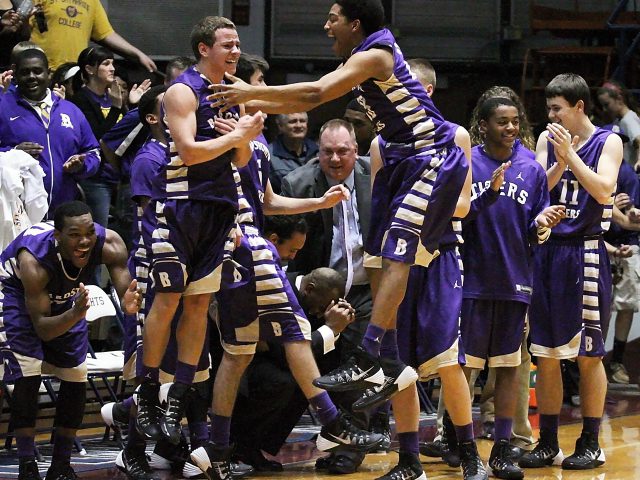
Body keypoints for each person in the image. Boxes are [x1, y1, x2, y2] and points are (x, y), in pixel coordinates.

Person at [210, 3, 473, 478]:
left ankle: (371, 356)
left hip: (432, 155)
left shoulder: (377, 53)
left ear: (356, 22)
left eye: (332, 17)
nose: (325, 25)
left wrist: (251, 92)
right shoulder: (361, 60)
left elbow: (313, 94)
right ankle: (381, 372)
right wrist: (256, 98)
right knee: (389, 257)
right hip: (404, 159)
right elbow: (307, 97)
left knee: (398, 254)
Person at [190, 55, 383, 480]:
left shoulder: (252, 143)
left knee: (263, 351)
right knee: (252, 352)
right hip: (229, 250)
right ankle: (326, 422)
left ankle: (224, 446)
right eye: (258, 93)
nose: (266, 104)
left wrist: (319, 202)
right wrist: (238, 137)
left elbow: (268, 202)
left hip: (253, 249)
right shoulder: (228, 135)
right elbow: (220, 169)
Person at [134, 15, 263, 453]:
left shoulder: (235, 92)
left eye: (237, 43)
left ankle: (179, 396)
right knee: (168, 299)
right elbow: (188, 152)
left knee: (199, 304)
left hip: (221, 210)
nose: (235, 50)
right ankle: (148, 390)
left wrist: (243, 139)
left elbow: (242, 160)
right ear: (204, 48)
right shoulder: (181, 91)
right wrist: (236, 139)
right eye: (227, 44)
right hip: (182, 207)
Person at [521, 73, 623, 471]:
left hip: (587, 254)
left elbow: (603, 192)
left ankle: (591, 442)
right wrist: (558, 162)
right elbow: (538, 191)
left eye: (556, 108)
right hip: (548, 252)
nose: (550, 116)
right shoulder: (549, 140)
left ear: (579, 107)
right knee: (545, 353)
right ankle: (547, 441)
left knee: (588, 354)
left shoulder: (608, 141)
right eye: (548, 108)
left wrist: (572, 158)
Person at [461, 95, 564, 479]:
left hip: (514, 280)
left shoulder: (531, 169)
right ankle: (462, 445)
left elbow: (534, 228)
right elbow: (454, 219)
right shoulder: (467, 160)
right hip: (471, 279)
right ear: (483, 125)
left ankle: (503, 449)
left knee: (507, 368)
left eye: (514, 121)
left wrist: (543, 222)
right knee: (463, 371)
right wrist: (486, 195)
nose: (510, 127)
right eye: (501, 121)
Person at [0, 201, 141, 480]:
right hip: (17, 294)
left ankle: (61, 465)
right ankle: (28, 464)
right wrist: (76, 313)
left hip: (66, 299)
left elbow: (127, 295)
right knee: (28, 374)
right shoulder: (33, 260)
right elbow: (43, 330)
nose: (85, 241)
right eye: (75, 235)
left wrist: (128, 302)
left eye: (89, 232)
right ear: (57, 236)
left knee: (76, 374)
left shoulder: (109, 243)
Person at [228, 267, 354, 471]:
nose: (321, 313)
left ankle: (252, 447)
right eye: (322, 306)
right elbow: (283, 354)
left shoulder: (312, 299)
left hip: (269, 361)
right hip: (240, 362)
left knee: (314, 380)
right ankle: (236, 443)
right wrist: (330, 329)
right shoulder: (281, 292)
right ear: (310, 289)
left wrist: (337, 327)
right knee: (285, 381)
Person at [0, 48, 100, 216]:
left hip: (64, 214)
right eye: (25, 72)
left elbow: (94, 152)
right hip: (17, 214)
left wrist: (82, 165)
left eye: (37, 71)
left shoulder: (71, 110)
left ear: (49, 74)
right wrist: (13, 155)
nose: (32, 76)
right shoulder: (3, 107)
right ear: (16, 76)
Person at [29, 0, 156, 72]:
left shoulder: (92, 1)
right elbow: (23, 28)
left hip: (74, 73)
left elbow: (106, 34)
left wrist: (138, 54)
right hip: (42, 70)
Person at [603, 159, 640, 384]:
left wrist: (631, 213)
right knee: (600, 306)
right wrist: (614, 207)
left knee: (626, 305)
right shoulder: (593, 168)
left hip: (629, 244)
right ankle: (594, 359)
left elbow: (630, 221)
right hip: (600, 243)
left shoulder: (629, 174)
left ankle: (616, 360)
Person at [268, 112, 319, 193]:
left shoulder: (318, 152)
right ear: (280, 126)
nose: (298, 125)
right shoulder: (268, 155)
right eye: (293, 121)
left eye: (302, 121)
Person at [597, 80, 640, 170]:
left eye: (607, 104)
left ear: (619, 99)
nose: (604, 109)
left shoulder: (629, 119)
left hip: (631, 175)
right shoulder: (619, 120)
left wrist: (639, 161)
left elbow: (639, 140)